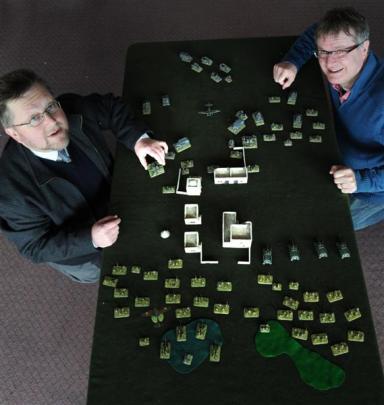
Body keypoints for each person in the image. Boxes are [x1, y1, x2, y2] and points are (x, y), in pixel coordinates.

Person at [0, 69, 168, 282]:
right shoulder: (10, 193)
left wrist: (138, 139)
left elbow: (110, 107)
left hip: (118, 200)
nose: (52, 121)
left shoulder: (72, 107)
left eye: (51, 106)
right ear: (15, 134)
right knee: (106, 275)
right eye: (34, 119)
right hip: (87, 252)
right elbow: (34, 247)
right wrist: (91, 239)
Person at [273, 7, 384, 231]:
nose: (330, 63)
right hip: (337, 150)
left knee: (317, 228)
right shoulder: (341, 57)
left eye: (341, 51)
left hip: (368, 189)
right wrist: (293, 61)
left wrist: (361, 181)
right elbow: (316, 33)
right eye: (323, 52)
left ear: (365, 48)